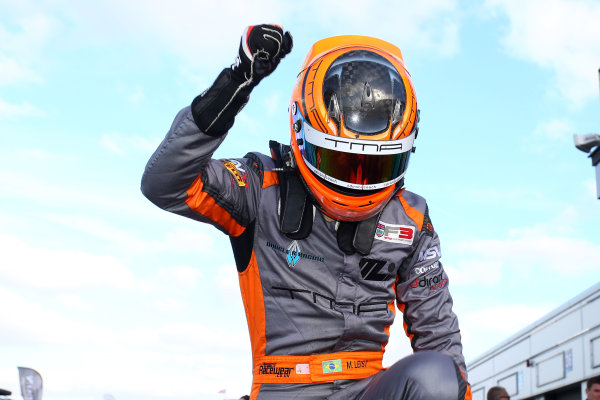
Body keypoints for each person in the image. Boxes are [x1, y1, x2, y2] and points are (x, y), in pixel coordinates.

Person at [141, 24, 471, 400]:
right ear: (301, 133)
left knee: (438, 375)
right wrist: (235, 83)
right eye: (341, 160)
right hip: (284, 386)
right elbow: (164, 184)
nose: (357, 181)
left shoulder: (410, 218)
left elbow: (439, 331)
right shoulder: (260, 188)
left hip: (367, 387)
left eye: (374, 167)